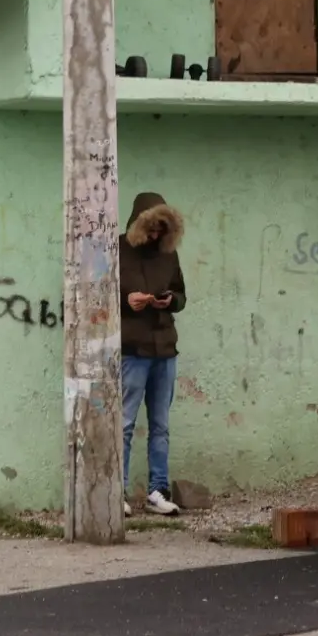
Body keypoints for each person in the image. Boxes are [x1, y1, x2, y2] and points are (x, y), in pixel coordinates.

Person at [118, 191, 187, 516]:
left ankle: (158, 490)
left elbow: (182, 295)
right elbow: (97, 292)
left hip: (165, 348)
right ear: (138, 223)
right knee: (125, 423)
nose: (156, 235)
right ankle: (116, 490)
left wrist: (169, 300)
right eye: (152, 228)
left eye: (162, 229)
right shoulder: (118, 250)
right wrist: (126, 301)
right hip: (133, 349)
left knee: (160, 425)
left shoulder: (168, 255)